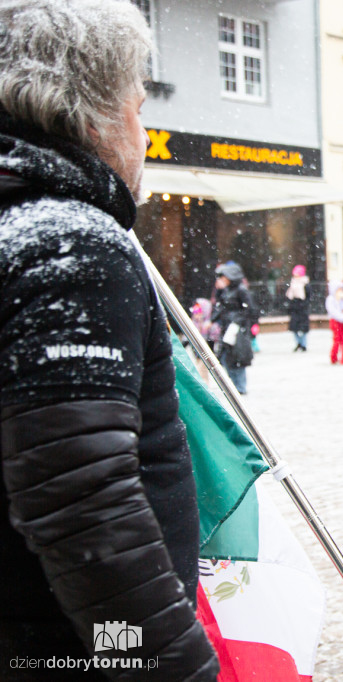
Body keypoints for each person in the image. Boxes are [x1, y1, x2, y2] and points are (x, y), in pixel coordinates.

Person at [0, 1, 218, 678]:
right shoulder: (68, 243)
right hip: (63, 642)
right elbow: (82, 500)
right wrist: (167, 662)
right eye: (139, 106)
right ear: (91, 110)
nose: (144, 135)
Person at [211, 262, 259, 394]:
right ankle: (233, 385)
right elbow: (220, 307)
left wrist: (238, 321)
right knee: (226, 358)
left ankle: (240, 387)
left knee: (237, 358)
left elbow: (250, 310)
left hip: (237, 330)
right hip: (227, 328)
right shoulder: (225, 291)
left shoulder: (241, 290)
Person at [285, 263, 310, 352]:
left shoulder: (305, 284)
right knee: (294, 328)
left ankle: (303, 344)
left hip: (302, 309)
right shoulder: (292, 283)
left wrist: (303, 305)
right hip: (294, 309)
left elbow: (308, 297)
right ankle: (299, 343)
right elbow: (289, 296)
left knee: (303, 328)